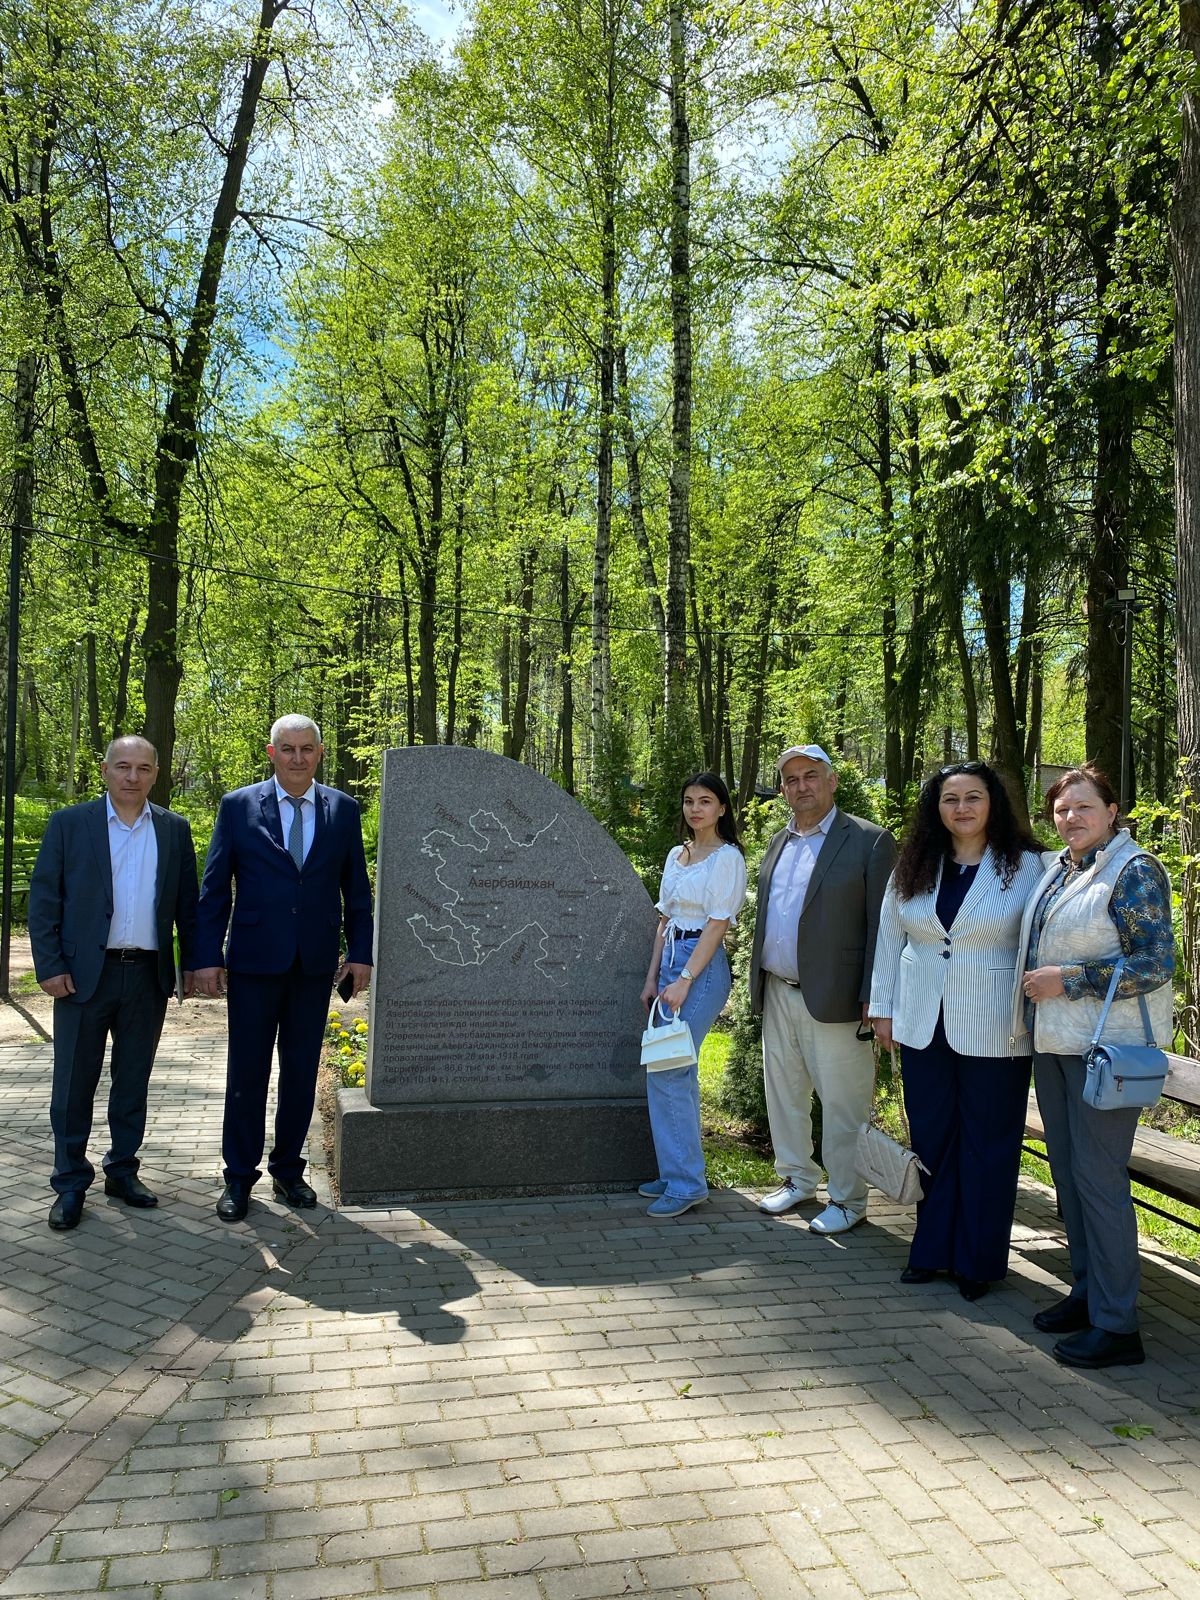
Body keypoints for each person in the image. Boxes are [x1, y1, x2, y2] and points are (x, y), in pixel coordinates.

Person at [1015, 764, 1174, 1369]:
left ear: (1112, 812)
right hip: (1055, 1045)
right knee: (1071, 1176)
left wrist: (1072, 980)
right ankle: (1088, 1293)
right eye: (1061, 809)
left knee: (1099, 1180)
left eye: (1084, 807)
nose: (1071, 818)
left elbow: (1156, 961)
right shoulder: (1061, 871)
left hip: (1106, 1052)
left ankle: (1118, 1324)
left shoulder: (1134, 872)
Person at [868, 762, 1045, 1299]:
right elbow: (889, 939)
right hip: (922, 1023)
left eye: (973, 797)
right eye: (950, 799)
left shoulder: (1029, 866)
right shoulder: (915, 865)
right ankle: (932, 1249)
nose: (962, 808)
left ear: (993, 802)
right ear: (935, 808)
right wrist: (882, 1008)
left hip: (996, 1025)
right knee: (933, 1140)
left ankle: (978, 1261)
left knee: (988, 1144)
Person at [193, 715, 374, 1222]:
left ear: (320, 753)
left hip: (314, 966)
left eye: (307, 749)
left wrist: (361, 952)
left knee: (299, 1072)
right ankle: (238, 1178)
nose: (297, 758)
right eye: (287, 749)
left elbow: (356, 890)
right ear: (271, 753)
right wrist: (207, 957)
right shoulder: (238, 806)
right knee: (246, 1074)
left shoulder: (343, 809)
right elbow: (213, 890)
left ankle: (289, 1171)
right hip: (253, 963)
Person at [28, 736, 199, 1231]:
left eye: (143, 768)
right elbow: (45, 901)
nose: (132, 777)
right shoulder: (69, 824)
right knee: (73, 1083)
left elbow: (187, 906)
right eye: (122, 767)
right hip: (82, 978)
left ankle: (122, 1171)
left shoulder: (172, 829)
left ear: (156, 772)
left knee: (132, 1081)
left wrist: (193, 965)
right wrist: (50, 965)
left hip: (147, 975)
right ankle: (69, 1183)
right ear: (104, 770)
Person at [748, 744, 896, 1233]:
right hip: (779, 991)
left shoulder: (870, 842)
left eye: (811, 775)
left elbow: (883, 927)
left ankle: (849, 1199)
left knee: (843, 1104)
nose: (801, 785)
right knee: (784, 1094)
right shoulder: (778, 842)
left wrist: (875, 996)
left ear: (832, 781)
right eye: (791, 779)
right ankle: (796, 1179)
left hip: (838, 997)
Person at [638, 772, 747, 1218]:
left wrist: (684, 978)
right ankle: (675, 1170)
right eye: (689, 801)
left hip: (699, 965)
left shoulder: (727, 859)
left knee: (671, 1070)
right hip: (670, 960)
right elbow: (663, 920)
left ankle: (686, 1185)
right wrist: (652, 977)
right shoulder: (677, 855)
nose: (695, 809)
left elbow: (718, 923)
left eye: (705, 801)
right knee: (664, 1069)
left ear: (722, 808)